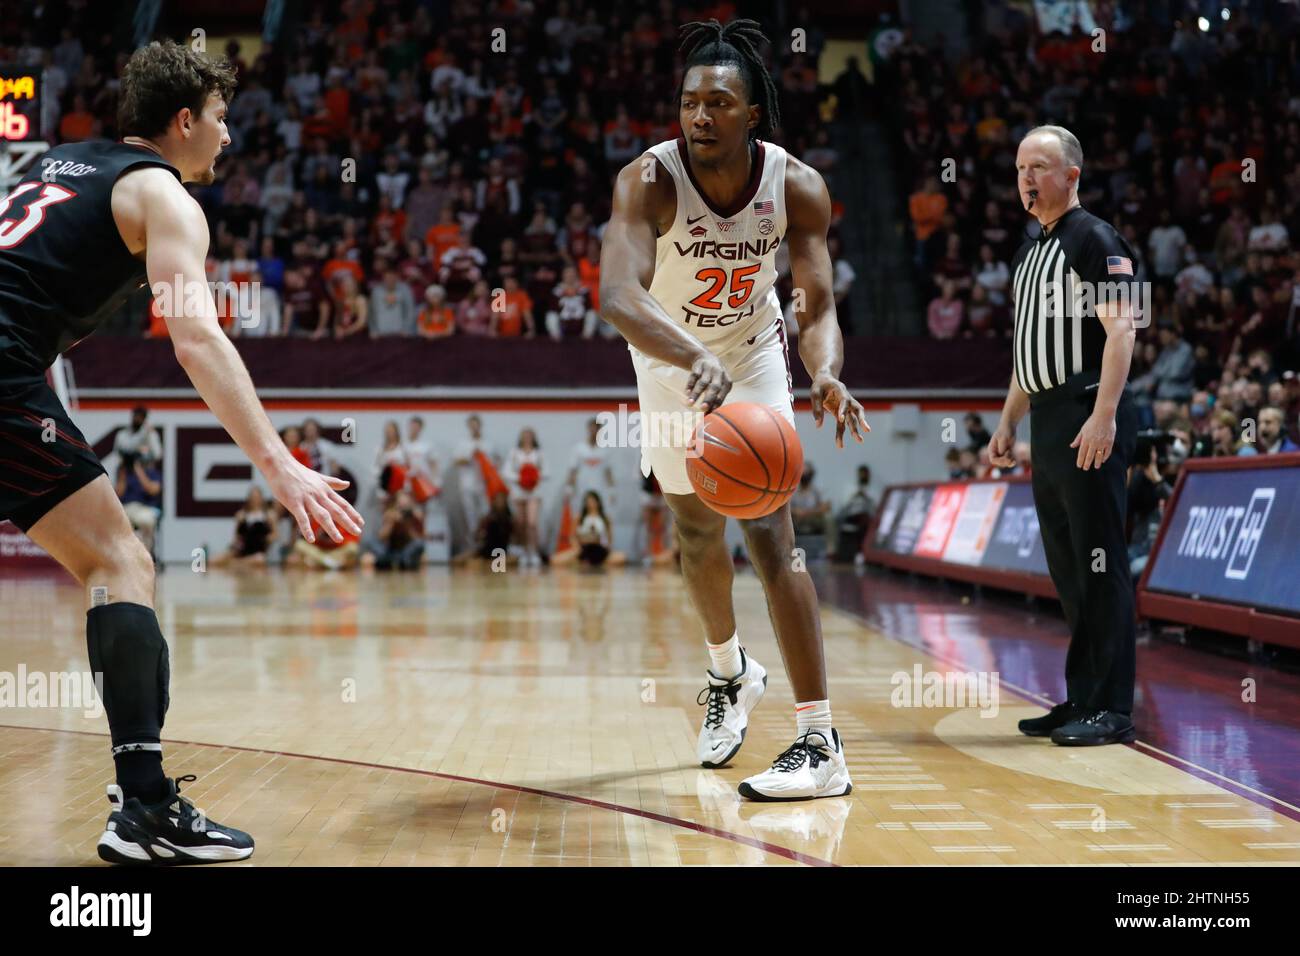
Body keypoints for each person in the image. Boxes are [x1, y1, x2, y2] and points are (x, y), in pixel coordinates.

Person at [0, 41, 362, 865]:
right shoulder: (163, 194)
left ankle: (143, 792)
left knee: (119, 562)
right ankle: (146, 809)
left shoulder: (58, 160)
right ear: (185, 119)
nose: (229, 138)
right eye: (223, 119)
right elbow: (194, 336)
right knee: (121, 565)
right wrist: (278, 464)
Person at [599, 19, 868, 801]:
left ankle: (821, 741)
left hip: (750, 352)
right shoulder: (646, 181)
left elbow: (815, 305)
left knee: (771, 531)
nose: (700, 116)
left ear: (754, 114)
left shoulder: (796, 186)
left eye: (719, 102)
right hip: (667, 354)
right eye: (689, 102)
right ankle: (729, 673)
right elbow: (618, 296)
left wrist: (824, 374)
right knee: (692, 524)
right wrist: (689, 355)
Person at [988, 126, 1140, 747]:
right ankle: (1083, 695)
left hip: (1087, 413)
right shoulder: (1031, 251)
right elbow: (1030, 352)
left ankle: (1112, 707)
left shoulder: (1095, 238)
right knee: (1071, 568)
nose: (1027, 178)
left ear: (1071, 174)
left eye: (1040, 167)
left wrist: (1104, 415)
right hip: (1048, 419)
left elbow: (1125, 327)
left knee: (1101, 564)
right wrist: (1007, 420)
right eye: (1021, 167)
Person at [551, 491, 626, 567]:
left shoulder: (605, 518)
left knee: (622, 558)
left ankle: (593, 563)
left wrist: (605, 545)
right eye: (588, 501)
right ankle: (584, 562)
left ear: (598, 502)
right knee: (555, 560)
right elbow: (572, 536)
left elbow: (609, 538)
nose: (591, 504)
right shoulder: (579, 517)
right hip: (583, 549)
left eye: (593, 501)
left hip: (600, 549)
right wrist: (577, 547)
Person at [506, 427, 544, 567]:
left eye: (530, 436)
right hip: (519, 491)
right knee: (521, 522)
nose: (527, 438)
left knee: (532, 523)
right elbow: (507, 471)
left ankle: (533, 551)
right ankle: (523, 551)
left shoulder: (538, 453)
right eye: (524, 436)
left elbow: (546, 471)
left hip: (534, 491)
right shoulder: (514, 453)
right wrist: (520, 478)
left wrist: (533, 477)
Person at [360, 489, 426, 570]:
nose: (402, 512)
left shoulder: (412, 517)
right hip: (389, 551)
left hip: (405, 551)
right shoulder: (390, 514)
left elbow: (418, 539)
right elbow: (382, 537)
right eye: (400, 507)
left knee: (419, 544)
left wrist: (407, 526)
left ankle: (401, 562)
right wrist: (391, 523)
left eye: (405, 508)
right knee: (368, 540)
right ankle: (388, 562)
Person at [212, 486, 277, 566]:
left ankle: (236, 563)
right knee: (216, 559)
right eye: (253, 497)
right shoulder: (241, 515)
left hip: (258, 549)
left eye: (257, 497)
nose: (255, 499)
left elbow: (275, 534)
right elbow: (236, 536)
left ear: (261, 498)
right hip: (243, 547)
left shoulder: (268, 515)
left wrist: (265, 539)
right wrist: (236, 545)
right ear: (249, 498)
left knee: (260, 559)